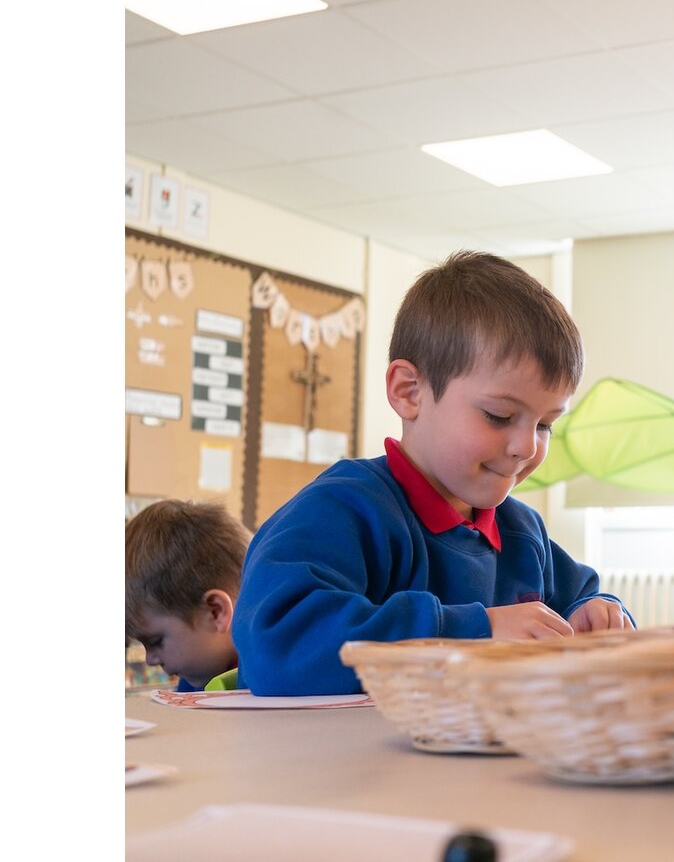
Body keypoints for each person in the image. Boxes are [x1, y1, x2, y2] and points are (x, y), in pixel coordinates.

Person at [234, 251, 633, 696]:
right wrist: (473, 633)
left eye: (545, 425)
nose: (526, 447)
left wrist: (599, 614)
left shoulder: (522, 532)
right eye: (500, 416)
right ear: (409, 392)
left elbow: (583, 598)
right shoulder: (343, 509)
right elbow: (277, 647)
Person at [126, 500, 249, 691]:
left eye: (156, 642)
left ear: (216, 611)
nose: (150, 660)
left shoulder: (268, 681)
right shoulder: (194, 679)